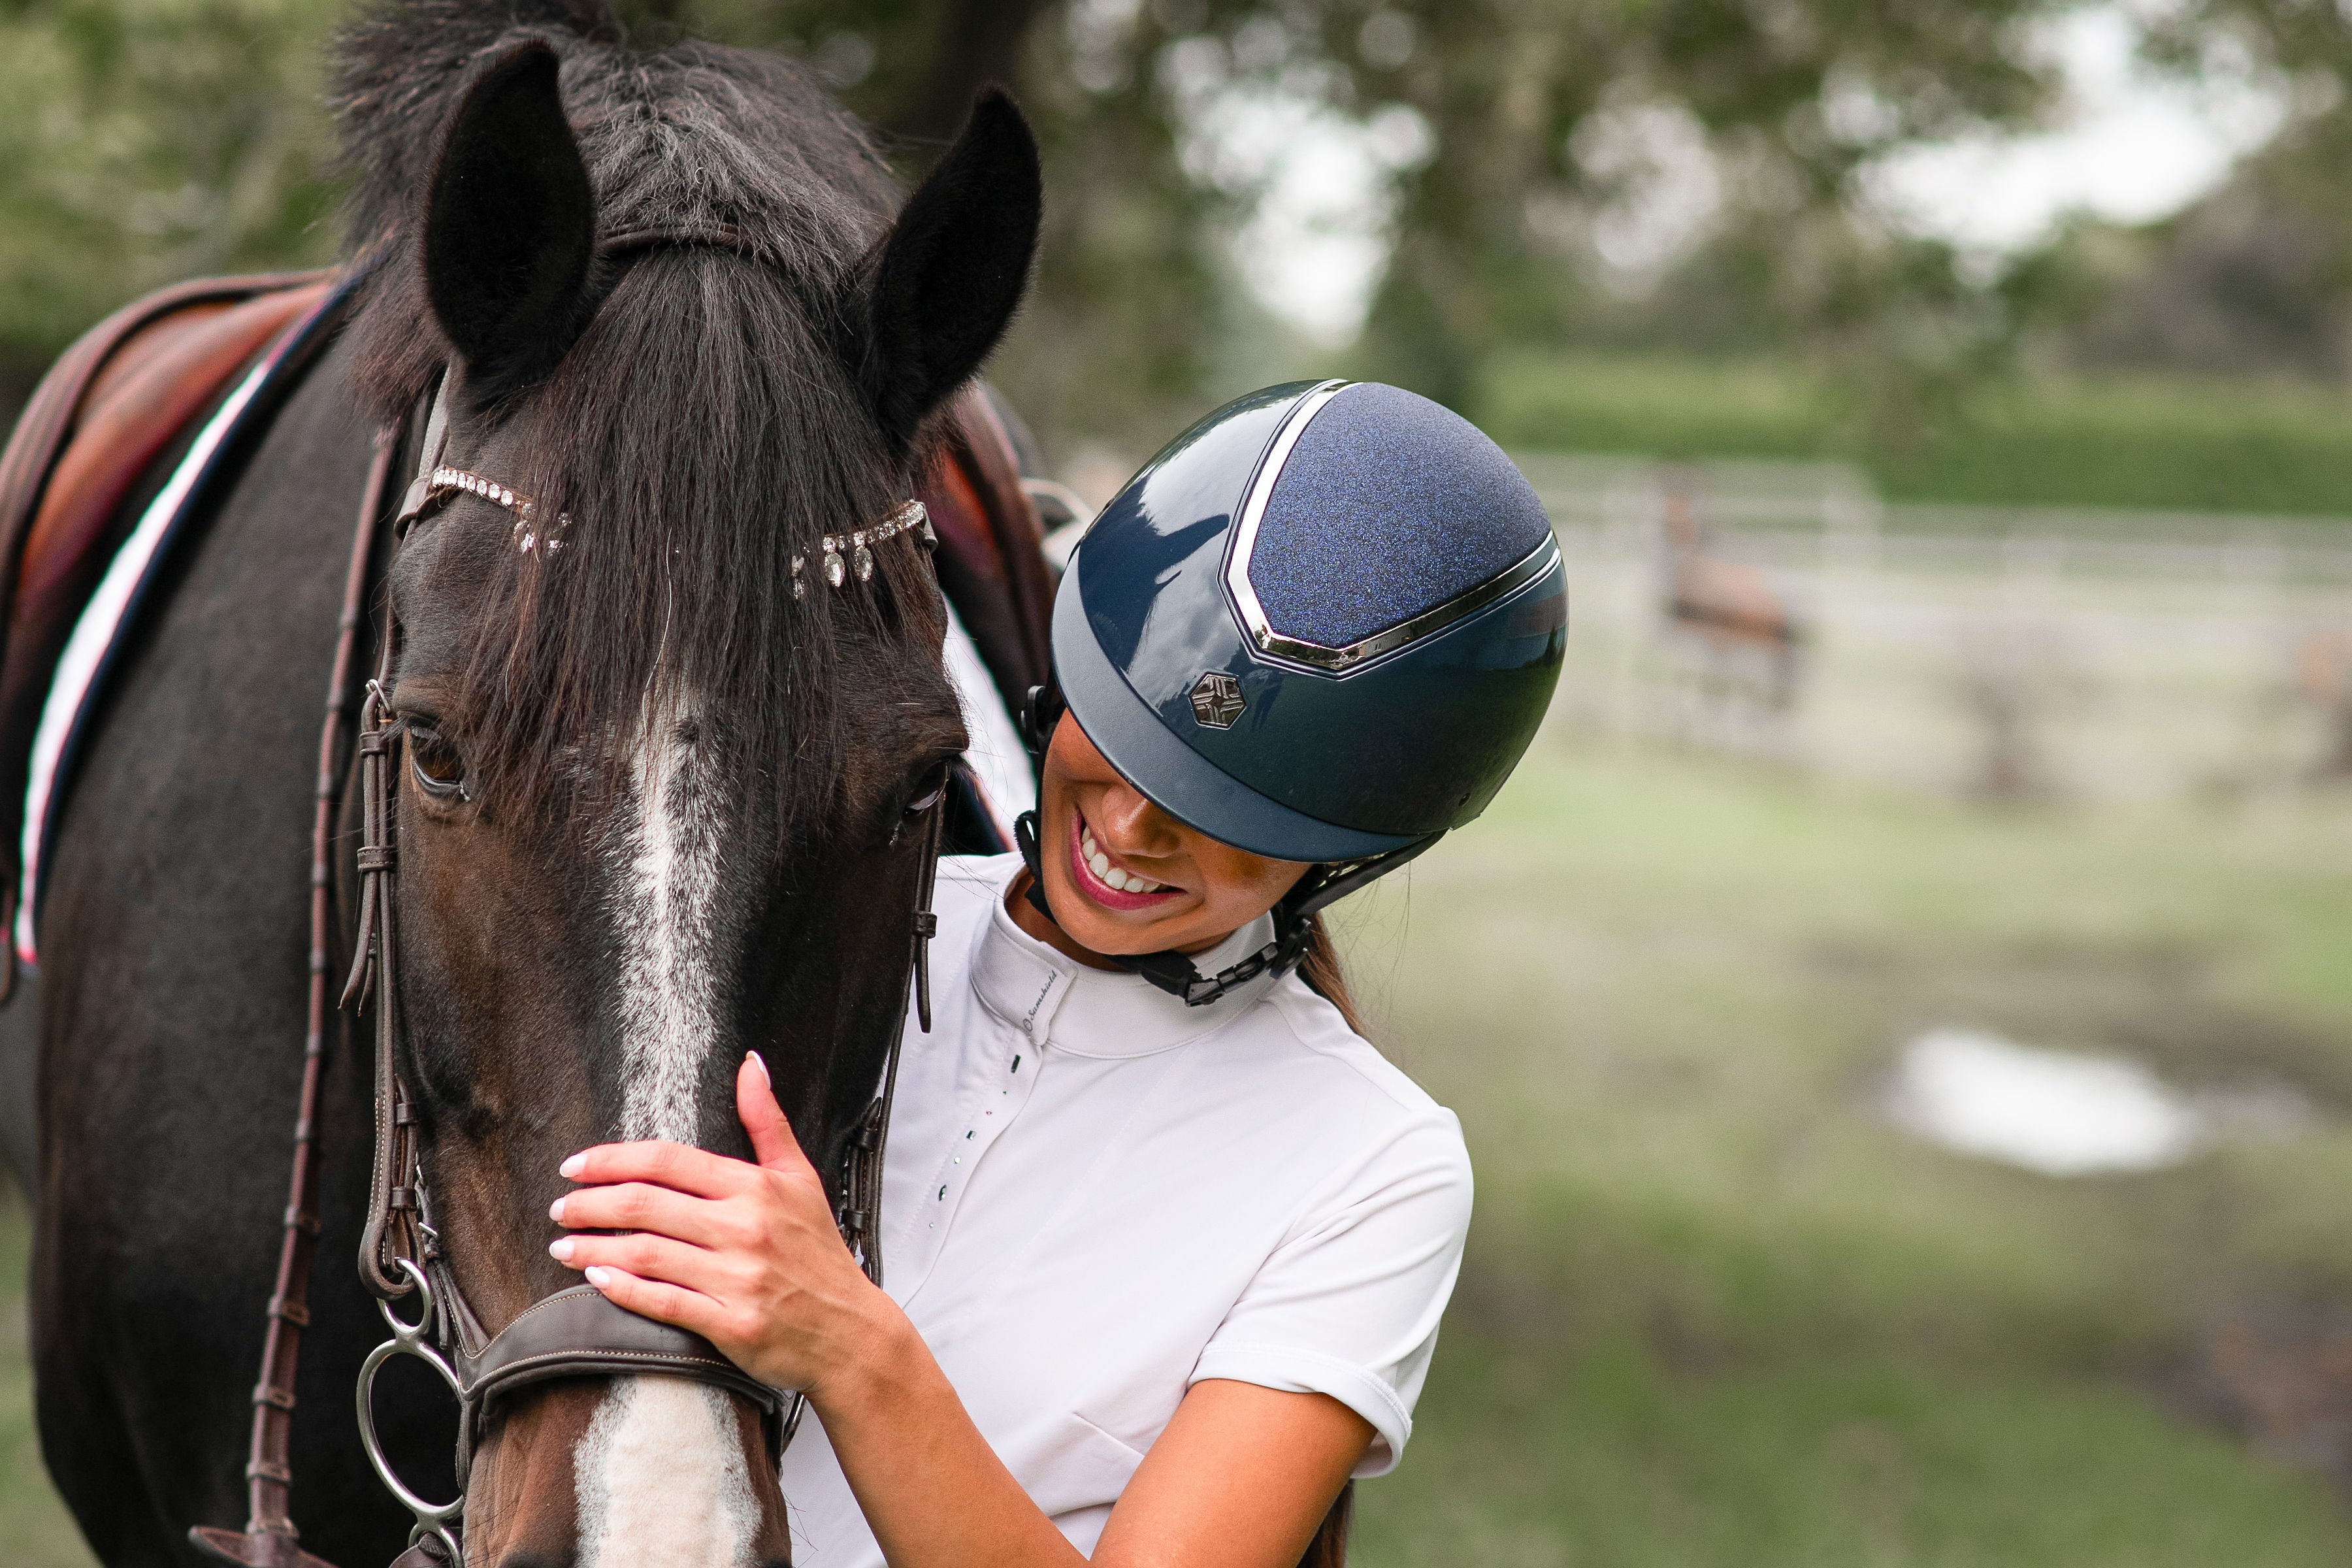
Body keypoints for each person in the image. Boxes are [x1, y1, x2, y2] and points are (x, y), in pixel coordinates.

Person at [545, 379, 1568, 1567]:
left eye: (1220, 812)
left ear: (1354, 854)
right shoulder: (836, 929)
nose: (1130, 828)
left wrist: (853, 1351)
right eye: (1121, 735)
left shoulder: (1374, 1170)